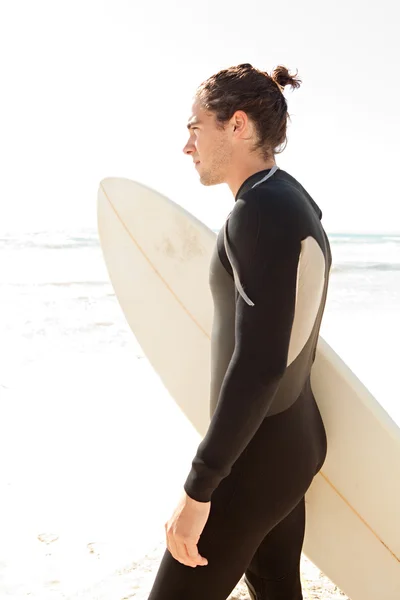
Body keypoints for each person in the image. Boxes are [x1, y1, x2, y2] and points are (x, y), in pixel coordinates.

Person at [148, 63, 331, 600]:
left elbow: (260, 362)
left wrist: (199, 488)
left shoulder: (257, 213)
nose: (187, 145)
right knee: (277, 590)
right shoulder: (292, 200)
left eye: (195, 127)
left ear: (237, 125)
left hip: (256, 458)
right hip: (290, 437)